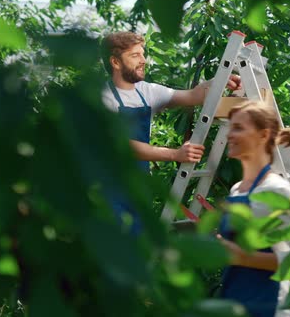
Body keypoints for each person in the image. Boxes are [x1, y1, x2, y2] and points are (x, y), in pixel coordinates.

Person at [100, 31, 241, 232]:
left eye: (143, 54)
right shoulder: (103, 97)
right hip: (108, 189)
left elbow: (193, 96)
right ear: (115, 62)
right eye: (135, 55)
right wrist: (175, 154)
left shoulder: (146, 91)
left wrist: (220, 81)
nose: (143, 60)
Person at [216, 101, 290, 317]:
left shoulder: (277, 190)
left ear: (263, 135)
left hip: (269, 307)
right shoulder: (237, 190)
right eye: (230, 127)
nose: (229, 135)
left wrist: (245, 258)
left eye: (238, 128)